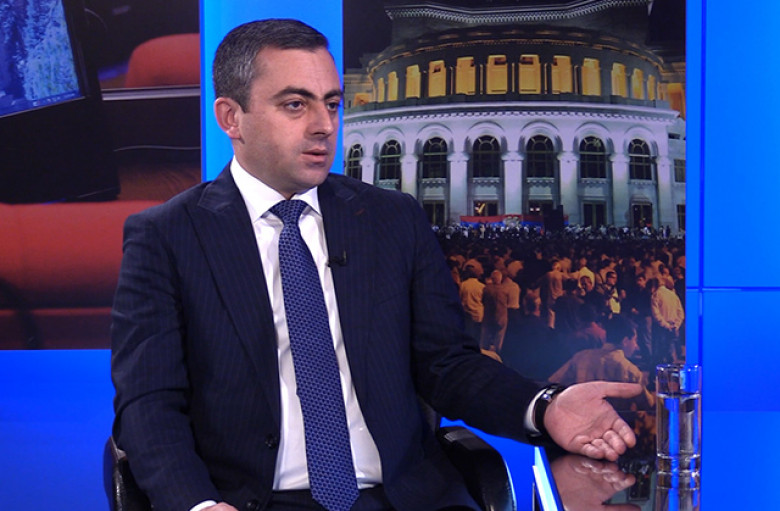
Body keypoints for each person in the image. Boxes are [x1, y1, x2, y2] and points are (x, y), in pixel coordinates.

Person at [111, 19, 641, 511]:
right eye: (295, 105)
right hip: (255, 501)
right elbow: (149, 403)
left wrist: (544, 406)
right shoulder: (166, 237)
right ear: (231, 117)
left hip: (403, 498)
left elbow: (447, 364)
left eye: (332, 103)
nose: (324, 126)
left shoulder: (391, 218)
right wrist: (198, 506)